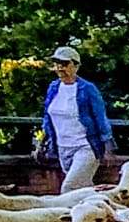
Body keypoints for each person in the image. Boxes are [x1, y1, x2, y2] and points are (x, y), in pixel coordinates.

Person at [38, 46, 117, 192]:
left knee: (69, 188)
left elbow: (100, 118)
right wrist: (41, 142)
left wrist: (107, 146)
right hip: (63, 147)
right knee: (82, 191)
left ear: (75, 66)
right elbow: (47, 118)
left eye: (64, 64)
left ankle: (65, 214)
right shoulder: (54, 88)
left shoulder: (87, 89)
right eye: (57, 64)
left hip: (86, 146)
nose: (60, 68)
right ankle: (102, 212)